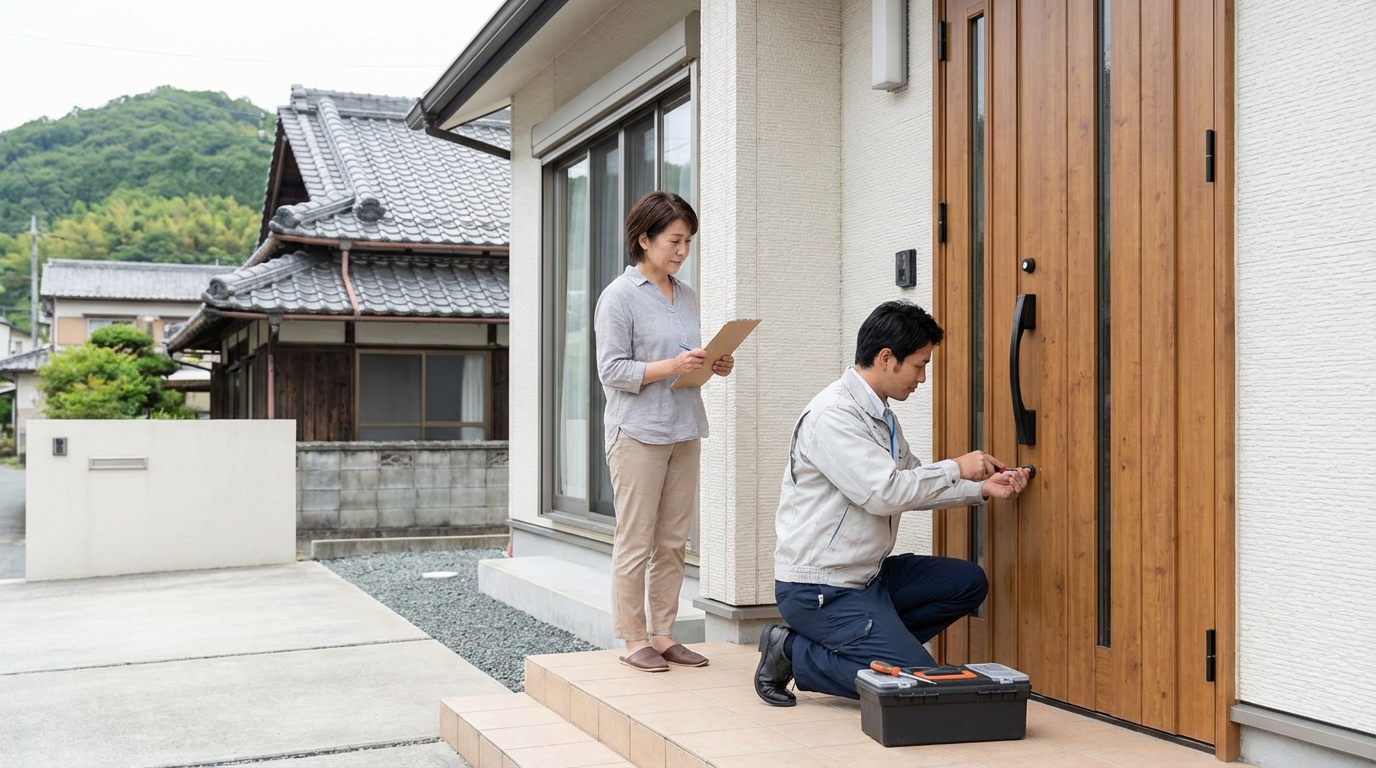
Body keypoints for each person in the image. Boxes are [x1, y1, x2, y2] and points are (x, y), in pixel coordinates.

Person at [754, 300, 1030, 705]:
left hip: (868, 578)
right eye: (919, 365)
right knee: (916, 684)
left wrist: (982, 489)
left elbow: (911, 484)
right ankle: (793, 652)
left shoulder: (880, 415)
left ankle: (871, 645)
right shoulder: (833, 416)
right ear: (886, 358)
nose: (922, 377)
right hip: (819, 588)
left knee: (967, 582)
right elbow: (884, 493)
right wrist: (956, 466)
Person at [595, 191, 735, 673]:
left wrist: (711, 363)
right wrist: (671, 364)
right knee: (636, 539)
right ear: (644, 239)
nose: (682, 251)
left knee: (674, 540)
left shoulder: (687, 295)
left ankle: (663, 634)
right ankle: (634, 638)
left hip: (683, 425)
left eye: (688, 242)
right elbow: (611, 370)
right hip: (637, 431)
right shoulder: (618, 297)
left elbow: (682, 362)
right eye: (675, 240)